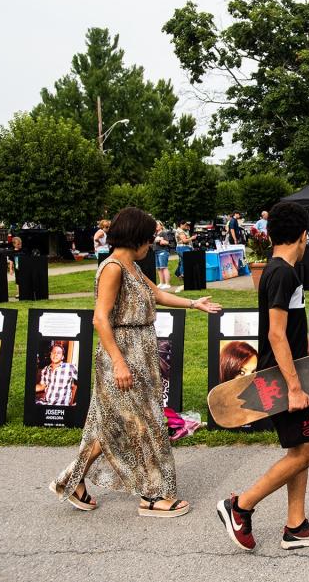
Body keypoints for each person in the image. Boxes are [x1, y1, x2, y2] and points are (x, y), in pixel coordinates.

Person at [50, 207, 222, 517]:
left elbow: (157, 295)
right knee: (149, 426)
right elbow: (100, 319)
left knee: (113, 425)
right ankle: (153, 497)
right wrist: (118, 363)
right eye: (150, 237)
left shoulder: (132, 267)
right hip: (123, 355)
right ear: (137, 237)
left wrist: (194, 303)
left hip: (140, 353)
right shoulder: (113, 268)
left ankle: (71, 480)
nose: (152, 243)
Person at [217, 201, 309, 552]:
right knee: (306, 454)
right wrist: (295, 387)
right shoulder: (283, 273)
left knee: (302, 448)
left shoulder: (278, 270)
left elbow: (291, 328)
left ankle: (296, 526)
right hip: (284, 381)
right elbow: (275, 334)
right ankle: (240, 506)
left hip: (293, 373)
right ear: (303, 236)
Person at [153, 221, 172, 290]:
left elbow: (167, 242)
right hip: (156, 252)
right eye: (155, 225)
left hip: (163, 251)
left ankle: (167, 284)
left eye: (158, 225)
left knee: (164, 267)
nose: (156, 226)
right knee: (158, 268)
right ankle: (162, 283)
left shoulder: (163, 233)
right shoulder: (155, 234)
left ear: (161, 226)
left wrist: (162, 241)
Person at [173, 221, 192, 288]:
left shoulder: (183, 230)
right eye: (185, 225)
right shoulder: (180, 231)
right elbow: (184, 240)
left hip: (182, 248)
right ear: (181, 224)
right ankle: (182, 274)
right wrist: (192, 238)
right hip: (183, 248)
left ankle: (180, 274)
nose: (186, 226)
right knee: (186, 262)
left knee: (182, 261)